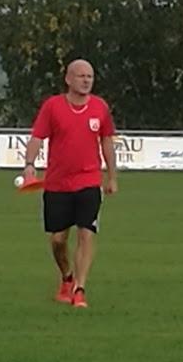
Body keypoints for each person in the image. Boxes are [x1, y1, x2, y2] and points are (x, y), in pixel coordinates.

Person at [24, 59, 118, 309]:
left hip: (89, 181)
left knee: (87, 233)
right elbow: (36, 137)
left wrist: (111, 176)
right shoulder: (53, 106)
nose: (86, 80)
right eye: (81, 76)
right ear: (68, 79)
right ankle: (67, 277)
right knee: (58, 240)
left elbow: (107, 141)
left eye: (90, 76)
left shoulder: (100, 107)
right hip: (57, 184)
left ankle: (80, 289)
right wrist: (29, 165)